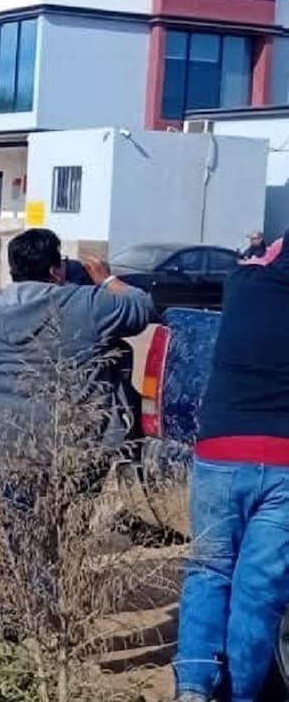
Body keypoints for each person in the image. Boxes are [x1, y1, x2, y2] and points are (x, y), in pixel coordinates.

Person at [0, 230, 156, 601]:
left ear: (12, 270)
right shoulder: (86, 305)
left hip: (9, 443)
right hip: (77, 445)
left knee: (23, 533)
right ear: (56, 270)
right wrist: (105, 277)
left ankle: (32, 604)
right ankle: (60, 603)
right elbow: (143, 306)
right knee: (69, 531)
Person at [173, 237, 289, 701]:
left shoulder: (242, 285)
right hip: (285, 461)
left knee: (209, 568)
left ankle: (194, 689)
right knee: (258, 590)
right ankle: (242, 694)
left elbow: (258, 257)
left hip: (221, 448)